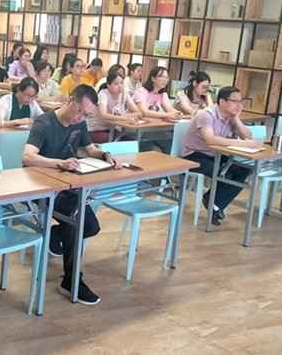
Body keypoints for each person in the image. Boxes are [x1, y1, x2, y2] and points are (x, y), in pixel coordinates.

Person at [22, 85, 122, 305]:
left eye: (87, 115)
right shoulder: (45, 123)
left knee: (91, 227)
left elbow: (90, 149)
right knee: (74, 221)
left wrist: (106, 155)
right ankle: (71, 280)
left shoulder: (79, 123)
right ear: (69, 101)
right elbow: (27, 157)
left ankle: (52, 236)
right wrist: (59, 163)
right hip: (41, 186)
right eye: (80, 112)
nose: (81, 118)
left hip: (67, 185)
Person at [182, 86, 262, 225]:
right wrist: (241, 144)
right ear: (222, 102)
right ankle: (214, 204)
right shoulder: (207, 114)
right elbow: (211, 140)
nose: (239, 105)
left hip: (214, 155)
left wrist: (236, 118)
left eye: (241, 101)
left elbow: (248, 137)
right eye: (235, 101)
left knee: (244, 170)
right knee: (226, 175)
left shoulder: (230, 116)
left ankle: (214, 203)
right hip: (194, 155)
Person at [133, 66, 182, 154]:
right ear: (153, 78)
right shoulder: (142, 92)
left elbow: (169, 108)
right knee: (147, 146)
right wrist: (167, 115)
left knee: (170, 143)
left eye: (167, 77)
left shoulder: (162, 94)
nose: (165, 80)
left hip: (151, 129)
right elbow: (144, 112)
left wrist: (177, 113)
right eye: (162, 77)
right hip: (136, 129)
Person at [87, 72, 141, 143]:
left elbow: (139, 113)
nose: (120, 86)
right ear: (108, 86)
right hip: (95, 130)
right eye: (116, 84)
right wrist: (124, 118)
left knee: (132, 141)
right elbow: (104, 115)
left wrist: (127, 116)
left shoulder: (124, 94)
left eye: (122, 83)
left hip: (111, 130)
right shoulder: (103, 94)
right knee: (114, 141)